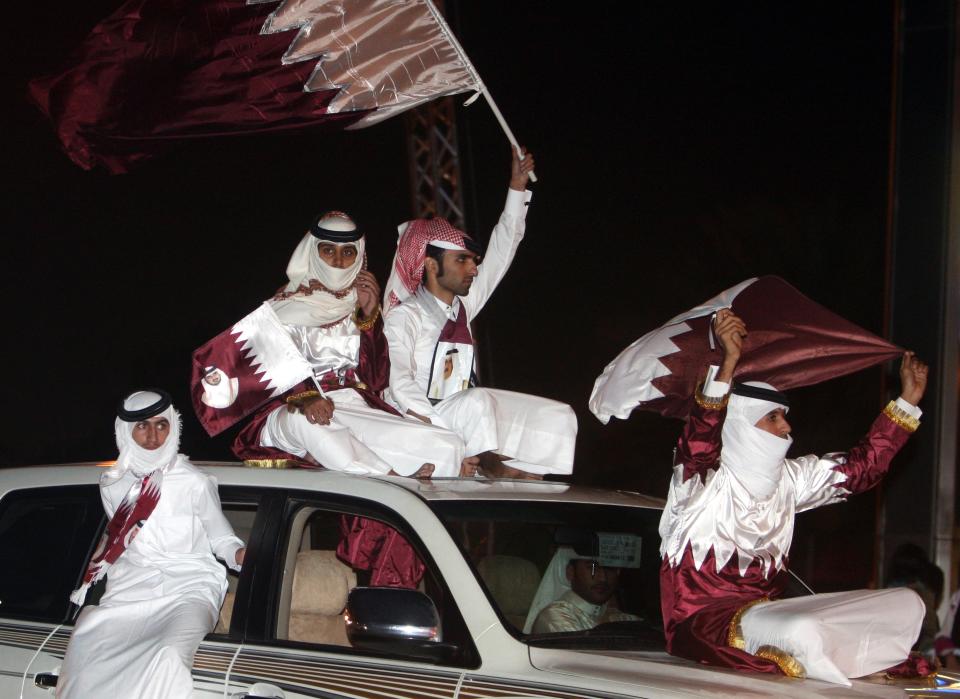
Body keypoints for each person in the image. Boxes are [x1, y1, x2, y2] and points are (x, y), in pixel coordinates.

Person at [659, 308, 929, 685]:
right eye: (773, 417)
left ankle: (828, 651)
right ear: (742, 424)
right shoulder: (700, 483)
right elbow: (699, 439)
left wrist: (907, 402)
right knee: (801, 629)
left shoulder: (791, 480)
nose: (786, 426)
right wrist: (728, 361)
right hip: (703, 624)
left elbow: (860, 470)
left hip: (771, 616)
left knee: (907, 605)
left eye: (784, 416)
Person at [382, 149, 577, 478]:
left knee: (557, 415)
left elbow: (503, 249)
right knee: (478, 403)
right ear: (431, 265)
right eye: (462, 260)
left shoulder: (463, 308)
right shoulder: (405, 317)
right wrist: (446, 434)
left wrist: (517, 187)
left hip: (467, 414)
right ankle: (495, 466)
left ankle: (527, 478)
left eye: (473, 260)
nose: (474, 268)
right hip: (420, 420)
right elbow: (400, 385)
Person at [232, 211, 471, 477]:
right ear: (313, 251)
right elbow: (255, 374)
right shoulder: (280, 306)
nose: (337, 260)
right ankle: (390, 480)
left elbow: (377, 380)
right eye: (328, 251)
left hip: (351, 406)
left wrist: (370, 318)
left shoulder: (359, 306)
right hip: (291, 412)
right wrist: (307, 397)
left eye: (347, 253)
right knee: (311, 422)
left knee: (445, 446)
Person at [58, 390, 245, 698]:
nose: (153, 435)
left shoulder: (194, 481)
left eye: (162, 425)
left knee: (168, 658)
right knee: (84, 655)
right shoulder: (113, 484)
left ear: (173, 426)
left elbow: (221, 537)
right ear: (125, 430)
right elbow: (119, 538)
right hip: (130, 589)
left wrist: (241, 554)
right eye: (142, 425)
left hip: (188, 588)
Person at [530, 549, 639, 633]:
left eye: (610, 568)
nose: (603, 578)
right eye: (592, 567)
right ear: (570, 572)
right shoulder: (555, 617)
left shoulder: (621, 618)